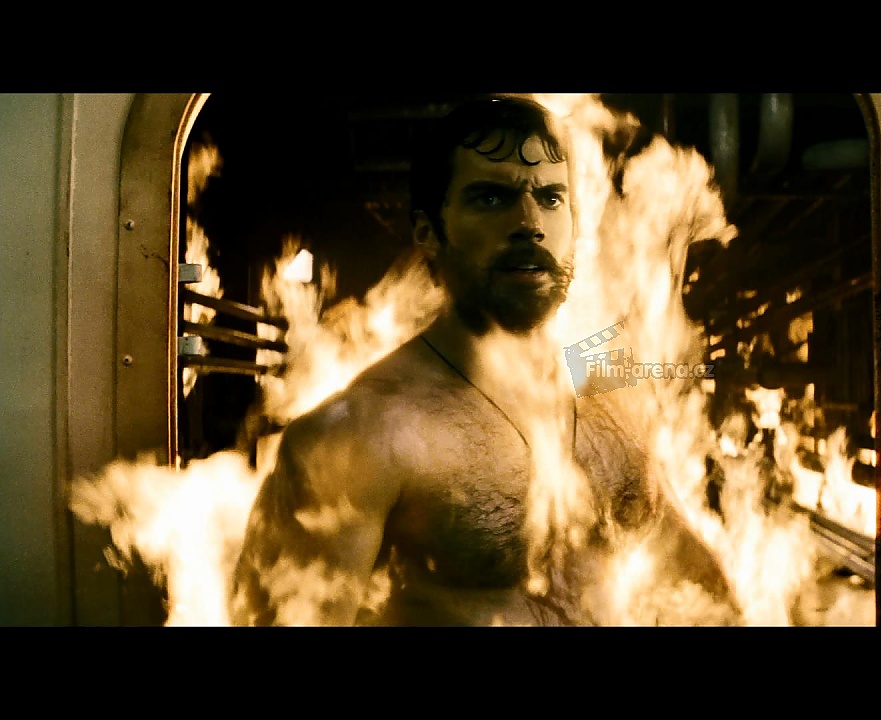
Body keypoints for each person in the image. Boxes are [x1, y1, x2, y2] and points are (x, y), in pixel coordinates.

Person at [230, 94, 733, 626]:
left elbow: (693, 578)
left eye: (551, 197)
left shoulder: (611, 392)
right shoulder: (357, 437)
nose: (529, 222)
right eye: (492, 197)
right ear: (429, 233)